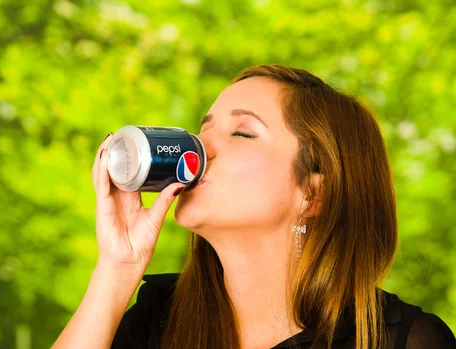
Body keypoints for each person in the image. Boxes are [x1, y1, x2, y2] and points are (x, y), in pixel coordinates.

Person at [52, 65, 456, 349]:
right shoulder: (157, 319)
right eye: (204, 127)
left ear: (314, 195)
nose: (200, 146)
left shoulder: (402, 341)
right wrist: (116, 269)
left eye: (243, 132)